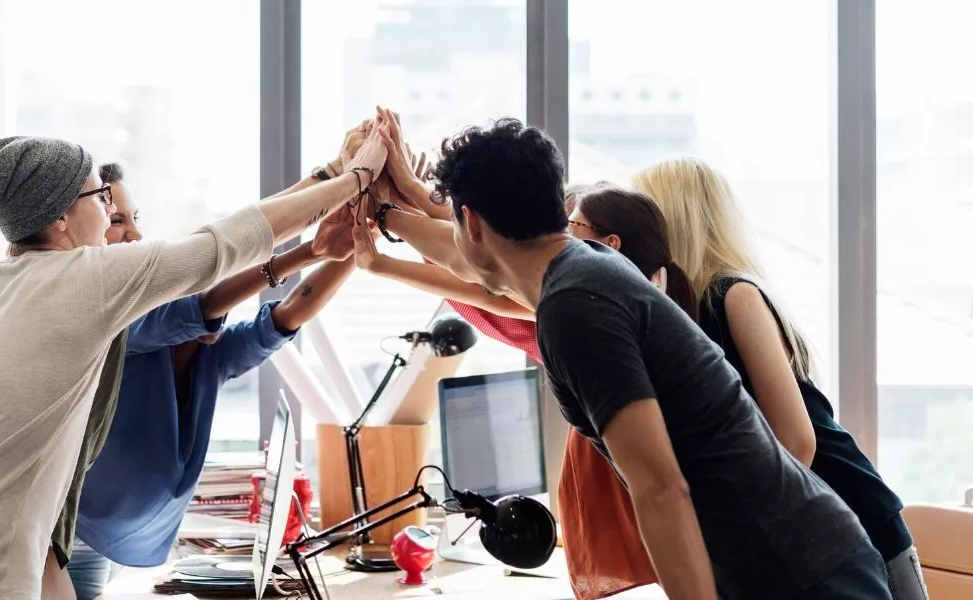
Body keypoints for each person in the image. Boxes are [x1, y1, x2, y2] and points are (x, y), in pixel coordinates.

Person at [0, 128, 389, 598]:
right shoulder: (90, 280)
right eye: (100, 198)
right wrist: (354, 179)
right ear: (63, 219)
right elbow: (229, 241)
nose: (110, 209)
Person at [426, 117, 890, 600]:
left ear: (472, 222)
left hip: (802, 574)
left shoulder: (574, 306)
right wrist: (384, 219)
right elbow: (465, 260)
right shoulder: (587, 268)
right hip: (797, 559)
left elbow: (660, 486)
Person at [350, 108, 657, 599]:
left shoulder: (580, 299)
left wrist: (388, 225)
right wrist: (401, 203)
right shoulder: (590, 289)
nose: (563, 231)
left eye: (573, 221)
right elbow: (472, 256)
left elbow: (480, 275)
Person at [57, 155, 361, 598]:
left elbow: (284, 317)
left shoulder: (204, 358)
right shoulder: (117, 323)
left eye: (135, 219)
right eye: (116, 219)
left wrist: (362, 237)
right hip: (70, 535)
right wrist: (314, 236)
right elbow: (201, 299)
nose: (136, 233)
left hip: (110, 542)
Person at [633, 156, 927, 600]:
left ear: (674, 218)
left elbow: (797, 442)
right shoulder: (679, 313)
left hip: (853, 516)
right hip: (810, 532)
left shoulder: (735, 295)